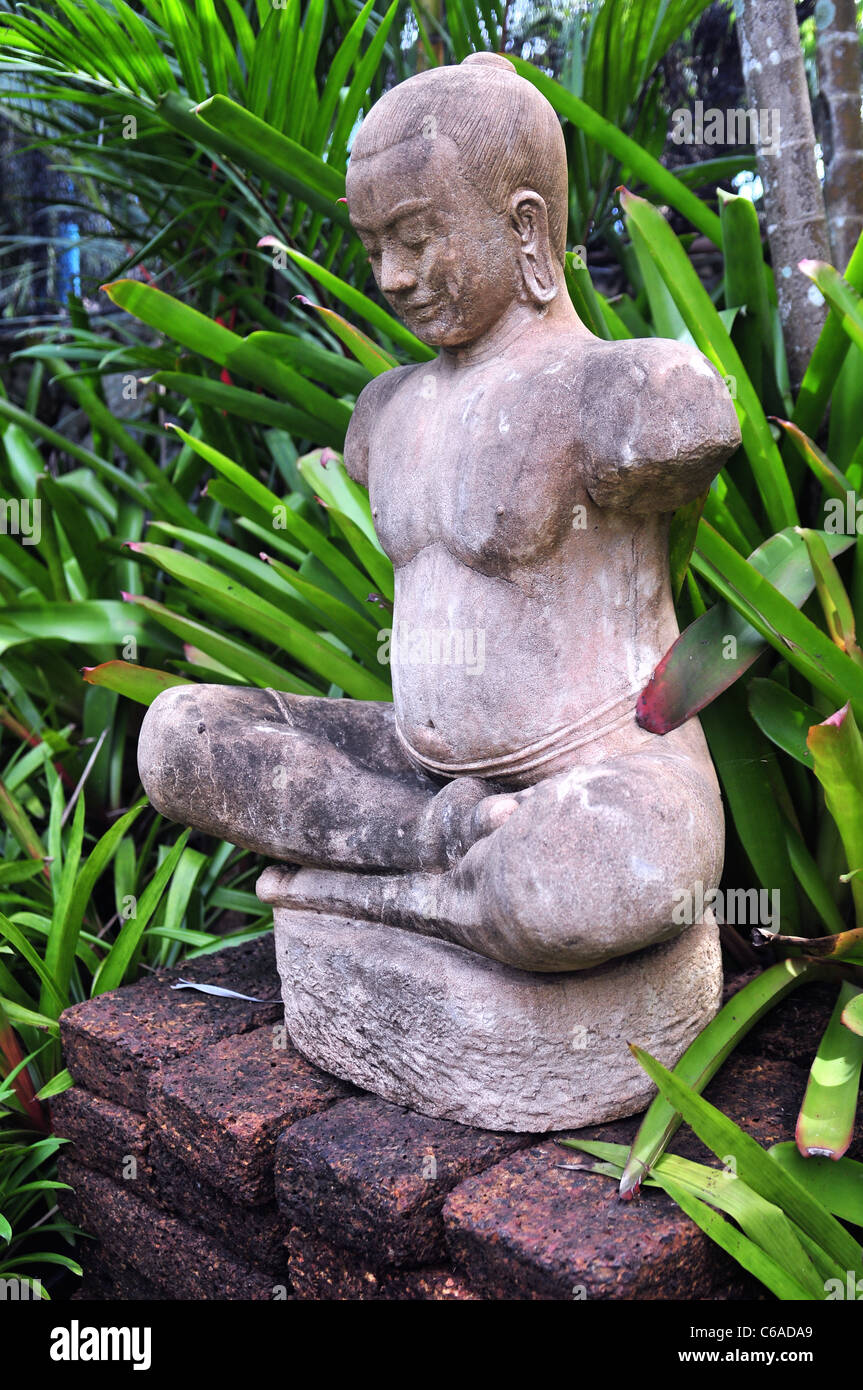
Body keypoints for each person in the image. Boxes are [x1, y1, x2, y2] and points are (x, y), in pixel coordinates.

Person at [138, 53, 741, 973]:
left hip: (601, 774)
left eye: (415, 238)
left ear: (524, 225)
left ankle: (342, 885)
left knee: (565, 884)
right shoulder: (385, 412)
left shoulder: (620, 392)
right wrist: (431, 811)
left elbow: (703, 415)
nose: (389, 275)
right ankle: (428, 847)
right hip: (415, 772)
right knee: (179, 735)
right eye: (373, 244)